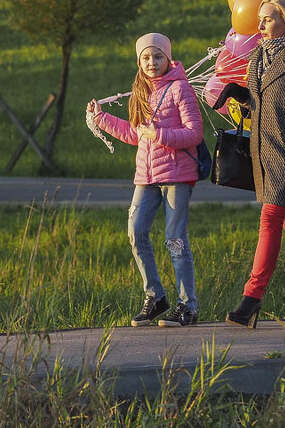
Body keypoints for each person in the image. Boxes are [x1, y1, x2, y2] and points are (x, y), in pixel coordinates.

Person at [213, 0, 285, 328]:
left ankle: (252, 298)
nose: (261, 25)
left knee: (269, 221)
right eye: (260, 19)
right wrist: (241, 95)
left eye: (268, 18)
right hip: (264, 155)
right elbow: (265, 106)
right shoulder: (258, 57)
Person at [87, 32, 204, 328]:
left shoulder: (180, 89)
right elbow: (134, 135)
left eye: (158, 56)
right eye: (146, 58)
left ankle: (186, 306)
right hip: (146, 175)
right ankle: (156, 296)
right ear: (139, 61)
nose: (152, 63)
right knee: (135, 232)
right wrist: (101, 119)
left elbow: (194, 134)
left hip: (177, 175)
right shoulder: (140, 91)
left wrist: (160, 134)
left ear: (169, 58)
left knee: (175, 240)